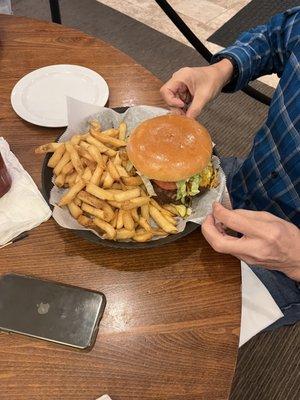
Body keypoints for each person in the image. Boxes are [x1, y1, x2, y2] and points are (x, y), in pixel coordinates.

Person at [160, 7, 300, 329]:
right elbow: (280, 35)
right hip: (243, 177)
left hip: (285, 270)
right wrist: (223, 69)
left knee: (184, 326)